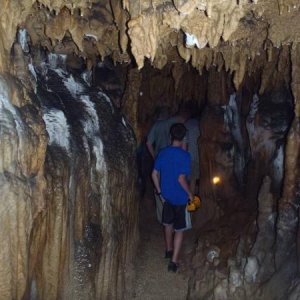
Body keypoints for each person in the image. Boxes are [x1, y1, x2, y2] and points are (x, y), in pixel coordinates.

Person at [152, 123, 193, 272]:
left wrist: (160, 192)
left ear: (170, 137)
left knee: (168, 225)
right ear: (183, 138)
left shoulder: (163, 153)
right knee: (180, 229)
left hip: (167, 197)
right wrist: (190, 194)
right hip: (181, 199)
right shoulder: (185, 156)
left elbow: (154, 174)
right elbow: (181, 179)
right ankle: (173, 263)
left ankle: (168, 250)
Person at [147, 105, 190, 223]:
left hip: (161, 160)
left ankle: (164, 219)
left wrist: (155, 157)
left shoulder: (156, 125)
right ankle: (177, 220)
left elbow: (148, 143)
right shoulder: (176, 122)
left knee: (161, 190)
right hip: (176, 158)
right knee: (176, 185)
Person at [185, 117, 200, 194]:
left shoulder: (186, 124)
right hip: (196, 156)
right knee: (193, 180)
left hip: (188, 156)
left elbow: (185, 142)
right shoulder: (199, 124)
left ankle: (189, 201)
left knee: (187, 180)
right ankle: (191, 203)